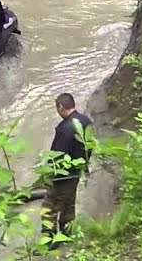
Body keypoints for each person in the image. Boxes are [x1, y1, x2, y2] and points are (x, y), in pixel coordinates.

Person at [41, 92, 93, 247]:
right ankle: (66, 234)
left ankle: (49, 242)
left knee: (48, 208)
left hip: (62, 177)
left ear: (61, 107)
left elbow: (57, 155)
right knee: (69, 205)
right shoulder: (86, 121)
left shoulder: (64, 128)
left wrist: (49, 176)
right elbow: (89, 147)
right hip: (76, 173)